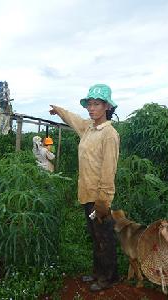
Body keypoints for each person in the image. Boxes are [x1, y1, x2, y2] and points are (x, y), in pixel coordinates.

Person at [49, 83, 119, 292]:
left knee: (104, 237)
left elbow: (109, 170)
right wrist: (59, 110)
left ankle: (109, 277)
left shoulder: (109, 134)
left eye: (96, 104)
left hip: (99, 196)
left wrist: (103, 201)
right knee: (95, 235)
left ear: (106, 106)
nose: (91, 108)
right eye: (89, 104)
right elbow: (74, 119)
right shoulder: (89, 128)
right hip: (86, 193)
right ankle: (99, 272)